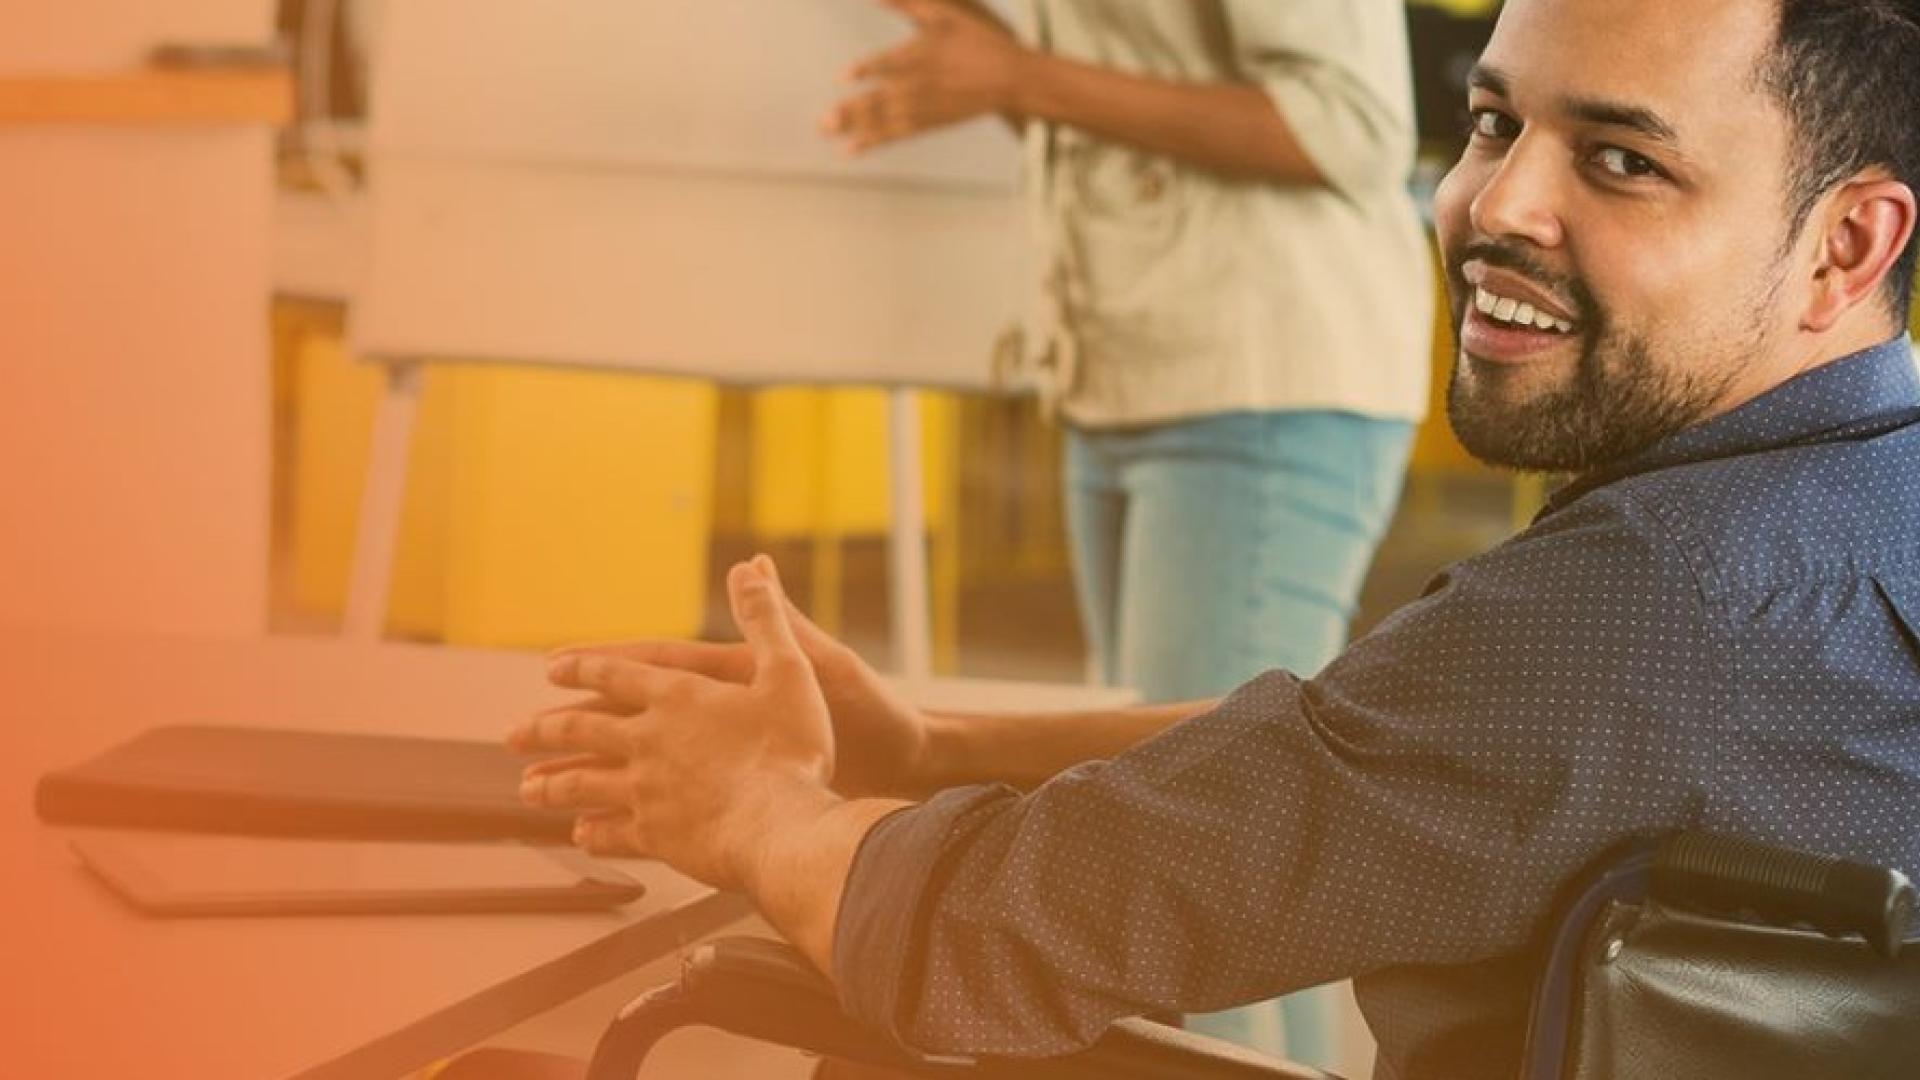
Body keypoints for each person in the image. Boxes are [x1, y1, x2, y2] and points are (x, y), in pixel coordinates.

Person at [507, 0, 1920, 1076]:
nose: (1496, 207)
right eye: (1495, 125)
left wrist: (753, 809)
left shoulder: (1649, 608)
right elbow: (1364, 746)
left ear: (1846, 246)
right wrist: (934, 749)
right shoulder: (1855, 499)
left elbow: (976, 932)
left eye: (1621, 162)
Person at [820, 1, 1433, 1058]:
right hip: (1130, 370)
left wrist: (1017, 74)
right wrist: (987, 59)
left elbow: (1349, 124)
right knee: (1226, 856)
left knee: (1196, 866)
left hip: (1258, 378)